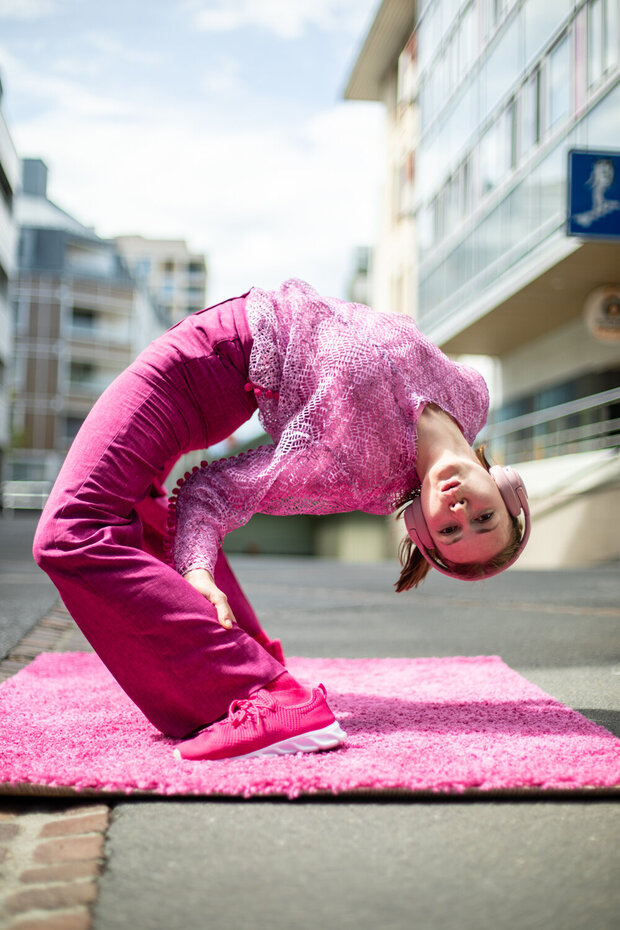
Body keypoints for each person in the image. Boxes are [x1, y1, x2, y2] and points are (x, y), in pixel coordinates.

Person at [33, 279, 529, 763]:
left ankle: (268, 698)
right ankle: (246, 660)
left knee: (70, 530)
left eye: (449, 532)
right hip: (217, 347)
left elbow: (214, 492)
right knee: (139, 508)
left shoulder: (355, 465)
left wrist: (196, 571)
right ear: (503, 485)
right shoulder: (471, 396)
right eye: (485, 518)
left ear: (420, 525)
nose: (461, 514)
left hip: (199, 369)